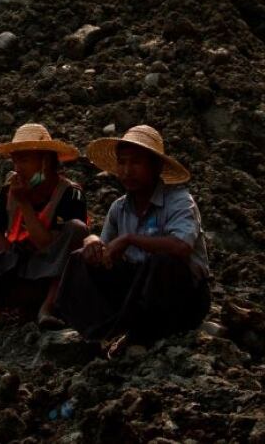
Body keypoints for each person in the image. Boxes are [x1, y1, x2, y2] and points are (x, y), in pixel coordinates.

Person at [55, 125, 211, 357]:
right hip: (138, 292)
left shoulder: (179, 201)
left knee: (163, 262)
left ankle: (140, 334)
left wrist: (130, 239)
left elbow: (182, 246)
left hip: (182, 296)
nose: (127, 171)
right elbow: (107, 250)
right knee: (81, 259)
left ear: (156, 167)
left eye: (136, 163)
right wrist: (93, 244)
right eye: (122, 162)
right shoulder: (119, 207)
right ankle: (94, 333)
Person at [0, 124, 88, 335]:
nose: (17, 167)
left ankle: (48, 308)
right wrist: (7, 260)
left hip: (49, 271)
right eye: (15, 160)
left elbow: (46, 245)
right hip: (16, 263)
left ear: (45, 161)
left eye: (24, 160)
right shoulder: (10, 188)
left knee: (77, 229)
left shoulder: (70, 193)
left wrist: (24, 204)